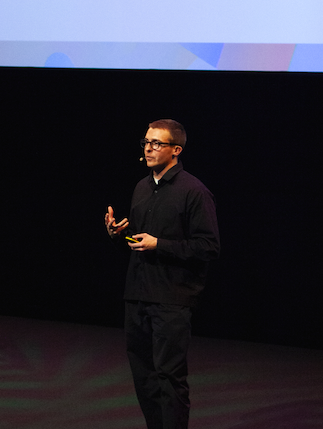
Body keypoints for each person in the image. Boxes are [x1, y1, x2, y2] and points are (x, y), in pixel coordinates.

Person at [104, 119, 220, 429]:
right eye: (146, 142)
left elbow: (208, 247)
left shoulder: (194, 191)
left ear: (176, 150)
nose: (149, 148)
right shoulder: (142, 187)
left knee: (169, 376)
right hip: (137, 294)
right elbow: (139, 242)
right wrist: (118, 235)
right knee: (144, 376)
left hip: (171, 298)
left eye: (157, 143)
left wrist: (160, 244)